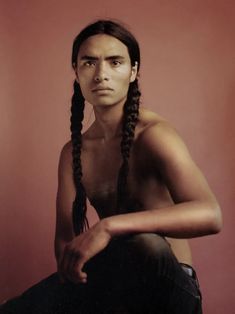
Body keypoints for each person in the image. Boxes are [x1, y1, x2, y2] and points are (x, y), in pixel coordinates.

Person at [0, 19, 222, 314]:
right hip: (113, 287)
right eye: (89, 63)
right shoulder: (73, 152)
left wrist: (109, 226)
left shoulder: (154, 134)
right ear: (76, 73)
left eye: (115, 62)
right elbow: (65, 242)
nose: (101, 74)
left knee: (147, 244)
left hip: (170, 288)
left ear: (133, 72)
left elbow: (210, 214)